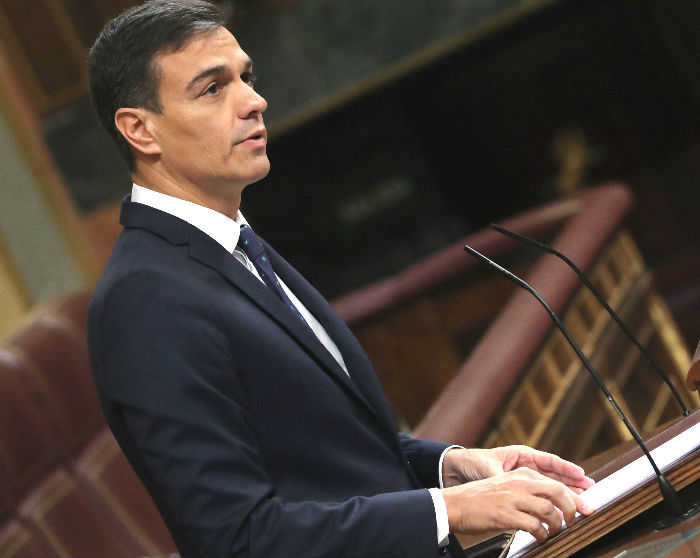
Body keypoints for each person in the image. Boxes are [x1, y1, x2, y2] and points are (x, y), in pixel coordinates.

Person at [85, 1, 595, 556]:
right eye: (212, 89)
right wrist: (449, 511)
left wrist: (451, 468)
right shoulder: (145, 301)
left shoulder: (233, 242)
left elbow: (325, 460)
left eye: (247, 78)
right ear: (140, 130)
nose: (254, 102)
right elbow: (239, 538)